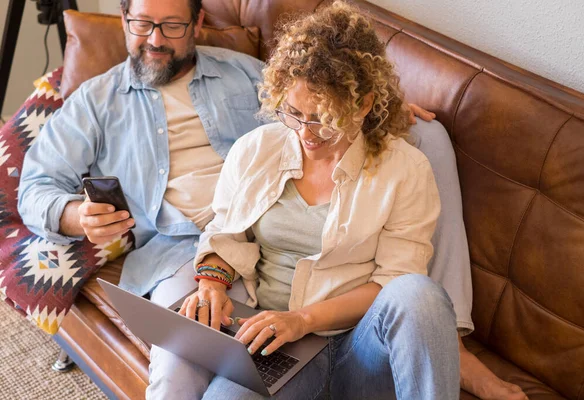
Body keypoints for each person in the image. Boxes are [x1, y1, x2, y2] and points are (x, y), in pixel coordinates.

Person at [17, 0, 527, 399]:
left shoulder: (244, 73)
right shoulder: (96, 101)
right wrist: (77, 216)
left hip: (333, 306)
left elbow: (324, 84)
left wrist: (376, 114)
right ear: (124, 19)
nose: (155, 39)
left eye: (171, 26)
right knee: (178, 366)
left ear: (196, 23)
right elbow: (35, 187)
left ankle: (448, 341)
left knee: (419, 266)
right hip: (185, 250)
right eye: (142, 24)